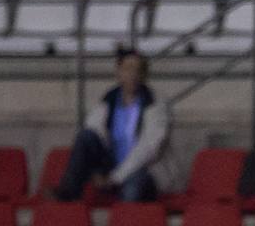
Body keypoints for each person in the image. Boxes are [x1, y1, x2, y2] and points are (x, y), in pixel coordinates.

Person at [53, 50, 179, 202]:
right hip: (111, 168)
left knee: (132, 190)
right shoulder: (109, 99)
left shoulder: (155, 104)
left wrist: (115, 178)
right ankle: (67, 195)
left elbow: (148, 149)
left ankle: (126, 222)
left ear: (144, 75)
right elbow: (92, 130)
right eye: (128, 69)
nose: (132, 75)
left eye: (138, 70)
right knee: (85, 136)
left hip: (143, 170)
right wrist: (96, 172)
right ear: (118, 72)